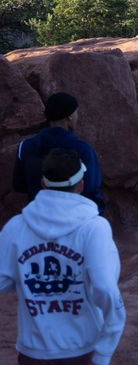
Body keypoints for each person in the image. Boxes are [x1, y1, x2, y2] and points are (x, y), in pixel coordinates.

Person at [0, 148, 126, 365]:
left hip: (33, 352)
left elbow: (3, 280)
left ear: (43, 184)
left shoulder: (15, 227)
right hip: (82, 350)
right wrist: (104, 352)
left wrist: (28, 283)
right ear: (80, 185)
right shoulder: (94, 228)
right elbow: (106, 289)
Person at [13, 92, 106, 214]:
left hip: (37, 215)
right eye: (76, 112)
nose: (77, 116)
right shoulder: (82, 150)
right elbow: (91, 189)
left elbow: (18, 184)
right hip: (72, 217)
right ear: (70, 116)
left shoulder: (25, 146)